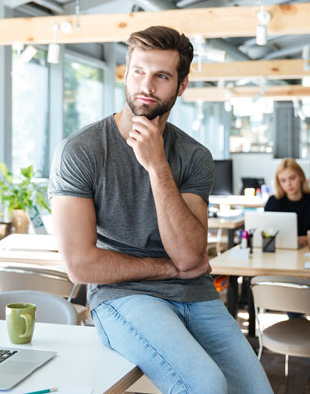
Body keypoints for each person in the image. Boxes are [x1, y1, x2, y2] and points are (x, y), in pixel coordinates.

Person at [49, 26, 272, 394]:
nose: (146, 86)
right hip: (123, 296)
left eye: (161, 76)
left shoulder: (193, 156)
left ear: (181, 85)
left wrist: (157, 166)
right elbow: (80, 264)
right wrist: (167, 270)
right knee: (206, 386)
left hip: (195, 295)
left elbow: (188, 255)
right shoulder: (82, 151)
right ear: (125, 72)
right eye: (138, 72)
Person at [264, 158, 310, 247]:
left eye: (292, 178)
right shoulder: (273, 202)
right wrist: (306, 238)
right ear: (279, 183)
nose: (288, 184)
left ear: (301, 177)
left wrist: (302, 240)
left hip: (308, 252)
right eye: (283, 180)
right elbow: (267, 233)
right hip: (281, 251)